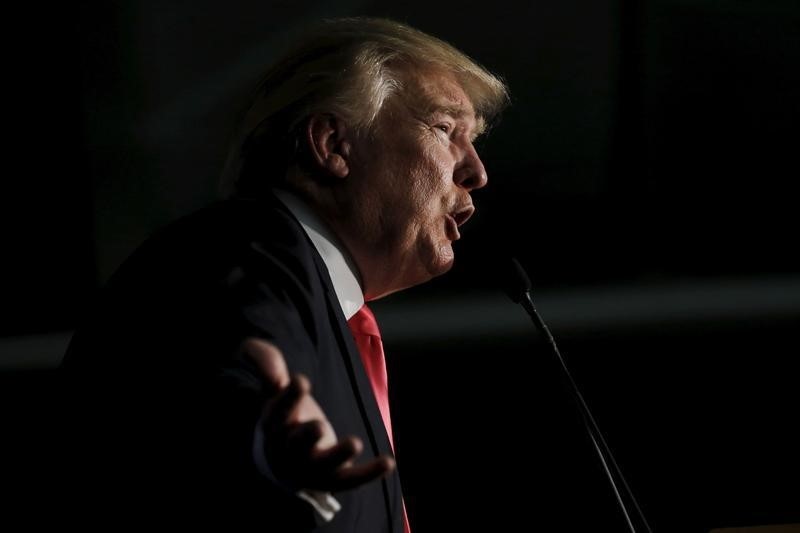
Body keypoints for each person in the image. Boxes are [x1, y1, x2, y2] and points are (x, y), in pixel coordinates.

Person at [61, 17, 508, 532]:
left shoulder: (321, 301)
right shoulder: (237, 256)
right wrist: (261, 453)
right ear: (333, 145)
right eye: (445, 129)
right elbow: (232, 374)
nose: (477, 171)